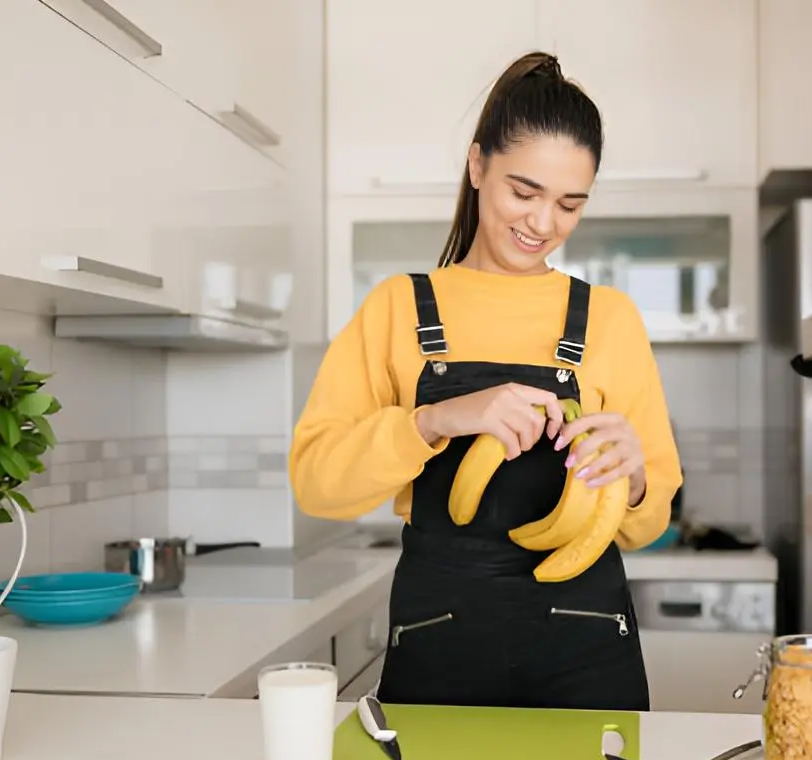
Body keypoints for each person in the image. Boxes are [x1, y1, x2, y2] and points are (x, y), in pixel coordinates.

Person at [289, 51, 682, 712]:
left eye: (569, 204)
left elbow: (650, 517)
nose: (542, 224)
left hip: (585, 646)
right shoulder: (397, 309)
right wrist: (433, 420)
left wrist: (636, 476)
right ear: (478, 167)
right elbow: (316, 484)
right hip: (440, 639)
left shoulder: (610, 319)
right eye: (523, 193)